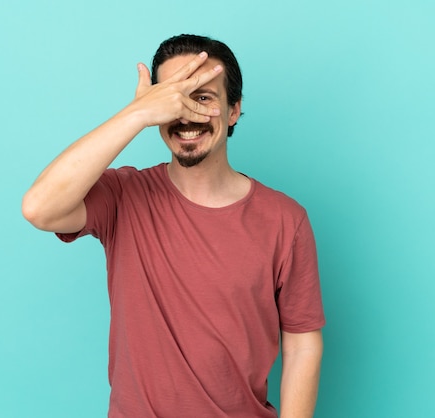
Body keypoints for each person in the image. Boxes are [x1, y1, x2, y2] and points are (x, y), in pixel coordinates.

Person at [22, 34, 325, 418]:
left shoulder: (285, 220)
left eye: (202, 97)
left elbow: (302, 343)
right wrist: (136, 114)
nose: (187, 115)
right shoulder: (123, 196)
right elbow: (39, 208)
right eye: (173, 97)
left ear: (233, 110)